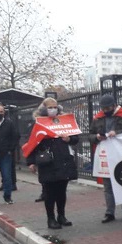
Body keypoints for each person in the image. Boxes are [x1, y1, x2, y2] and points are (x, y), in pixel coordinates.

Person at [26, 98, 78, 229]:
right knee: (49, 193)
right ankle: (51, 218)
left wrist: (69, 139)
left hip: (63, 160)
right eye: (50, 107)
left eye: (55, 107)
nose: (53, 109)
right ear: (44, 108)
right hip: (47, 161)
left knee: (62, 191)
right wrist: (31, 162)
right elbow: (32, 143)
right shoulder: (38, 123)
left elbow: (76, 138)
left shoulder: (64, 121)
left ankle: (61, 216)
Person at [90, 94, 122, 223]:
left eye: (108, 108)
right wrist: (97, 137)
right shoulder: (98, 118)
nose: (105, 111)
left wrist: (117, 133)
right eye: (104, 109)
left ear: (114, 105)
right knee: (108, 186)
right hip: (105, 154)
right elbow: (90, 134)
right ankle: (109, 212)